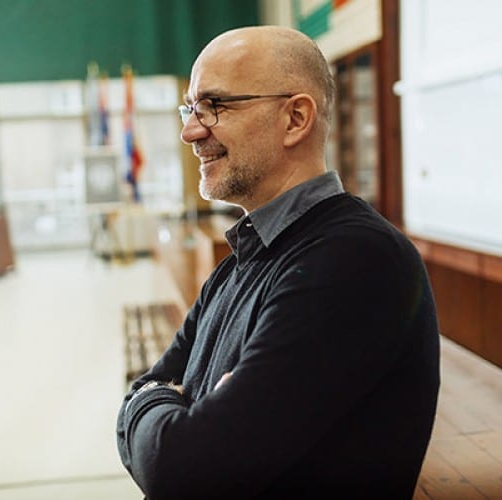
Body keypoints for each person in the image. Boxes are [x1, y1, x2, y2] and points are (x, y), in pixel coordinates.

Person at [117, 26, 440, 499]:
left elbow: (181, 471)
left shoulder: (355, 262)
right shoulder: (243, 259)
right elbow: (148, 393)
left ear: (295, 119)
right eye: (191, 108)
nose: (190, 131)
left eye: (216, 106)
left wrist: (159, 404)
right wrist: (159, 400)